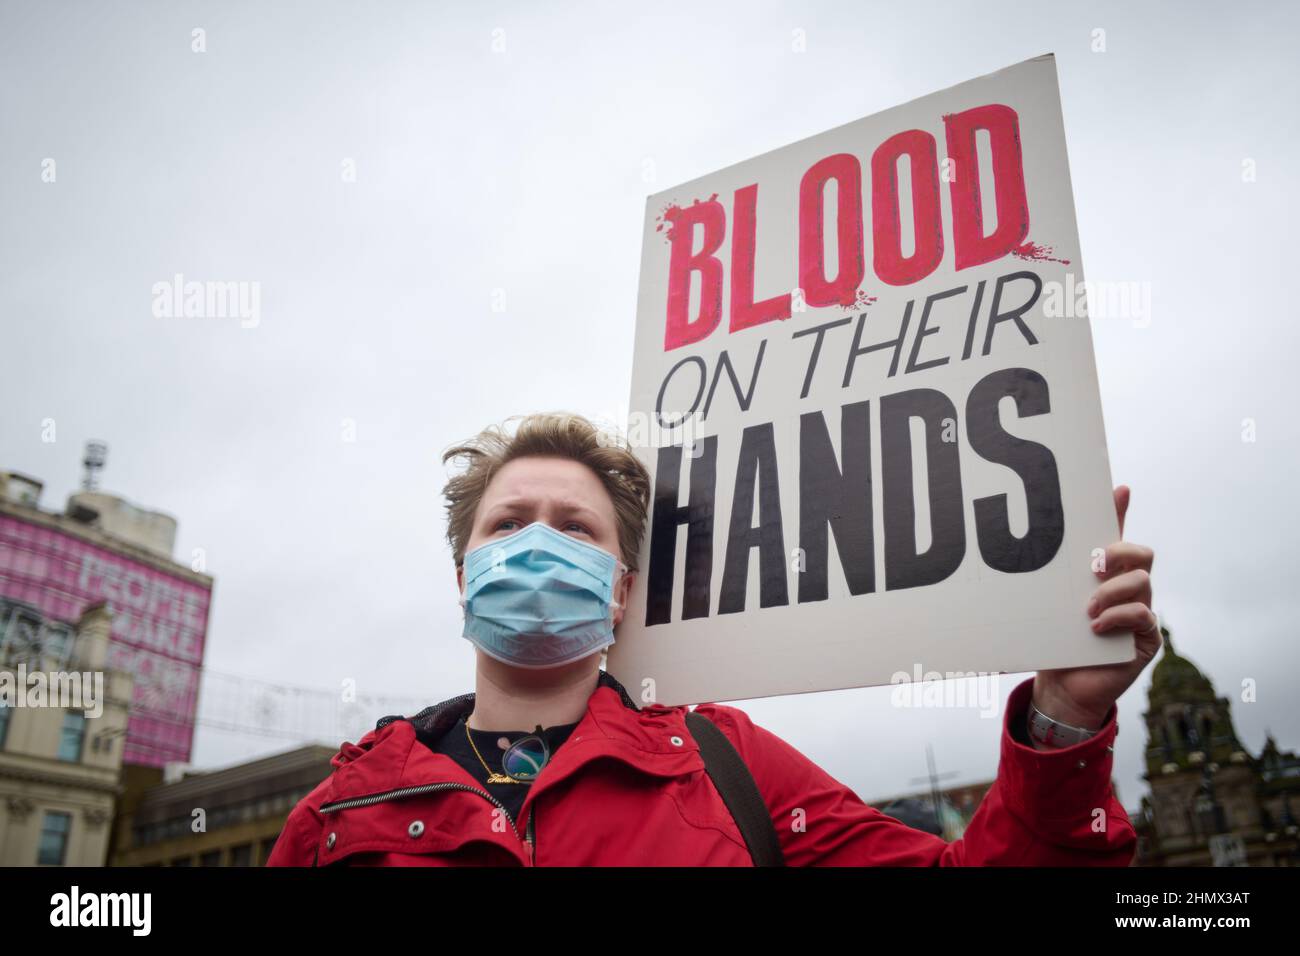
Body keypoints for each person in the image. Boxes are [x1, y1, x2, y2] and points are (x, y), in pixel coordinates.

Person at [266, 412, 1158, 866]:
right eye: (508, 525)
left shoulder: (726, 765)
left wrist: (1060, 723)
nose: (537, 542)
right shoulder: (340, 817)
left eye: (575, 528)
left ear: (620, 591)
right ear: (464, 577)